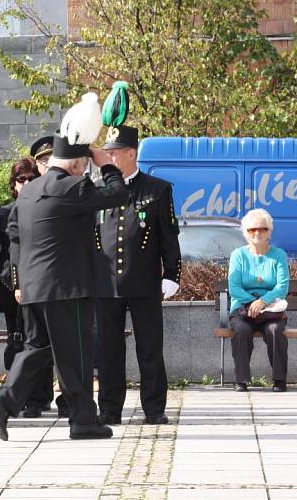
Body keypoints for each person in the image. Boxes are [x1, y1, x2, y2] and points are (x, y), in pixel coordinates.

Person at [0, 92, 128, 441]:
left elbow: (15, 234)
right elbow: (118, 194)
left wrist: (20, 280)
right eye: (85, 163)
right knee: (75, 352)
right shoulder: (72, 188)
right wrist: (106, 163)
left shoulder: (31, 191)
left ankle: (5, 404)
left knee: (38, 349)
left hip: (34, 289)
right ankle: (82, 419)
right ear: (78, 163)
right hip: (66, 288)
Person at [94, 83, 181, 425]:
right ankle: (110, 408)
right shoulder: (98, 191)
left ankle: (155, 409)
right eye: (107, 152)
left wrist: (172, 273)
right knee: (109, 351)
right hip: (106, 284)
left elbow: (168, 235)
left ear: (131, 153)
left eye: (114, 153)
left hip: (144, 282)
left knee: (149, 349)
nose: (109, 158)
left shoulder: (157, 190)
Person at [0, 157, 58, 419]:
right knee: (17, 342)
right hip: (13, 290)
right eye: (22, 179)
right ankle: (19, 396)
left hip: (41, 287)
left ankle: (40, 398)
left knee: (41, 343)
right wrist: (15, 283)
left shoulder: (47, 207)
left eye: (32, 178)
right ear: (14, 184)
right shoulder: (4, 213)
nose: (27, 183)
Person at [228, 208, 289, 392]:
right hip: (242, 310)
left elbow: (282, 286)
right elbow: (234, 287)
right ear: (246, 232)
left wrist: (262, 301)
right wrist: (251, 302)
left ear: (269, 231)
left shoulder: (278, 255)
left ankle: (279, 380)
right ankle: (241, 380)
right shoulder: (238, 255)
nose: (257, 233)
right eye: (252, 229)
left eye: (262, 228)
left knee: (275, 330)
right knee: (241, 330)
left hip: (271, 311)